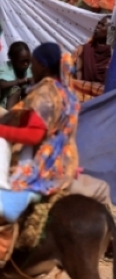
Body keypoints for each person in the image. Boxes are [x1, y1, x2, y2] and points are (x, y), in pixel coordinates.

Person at [0, 43, 79, 222]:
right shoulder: (65, 91)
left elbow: (35, 135)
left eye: (33, 64)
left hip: (46, 164)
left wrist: (1, 131)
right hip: (67, 161)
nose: (31, 68)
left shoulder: (45, 92)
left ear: (43, 66)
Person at [68, 16, 112, 103]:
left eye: (102, 25)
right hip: (81, 101)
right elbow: (72, 78)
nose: (98, 26)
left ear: (111, 31)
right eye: (98, 24)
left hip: (105, 102)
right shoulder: (83, 50)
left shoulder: (115, 56)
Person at [0, 42, 32, 109]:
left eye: (28, 61)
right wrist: (24, 80)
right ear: (13, 60)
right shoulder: (6, 68)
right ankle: (9, 115)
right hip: (4, 105)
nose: (26, 64)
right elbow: (2, 84)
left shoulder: (30, 70)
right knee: (15, 90)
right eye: (22, 61)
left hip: (23, 105)